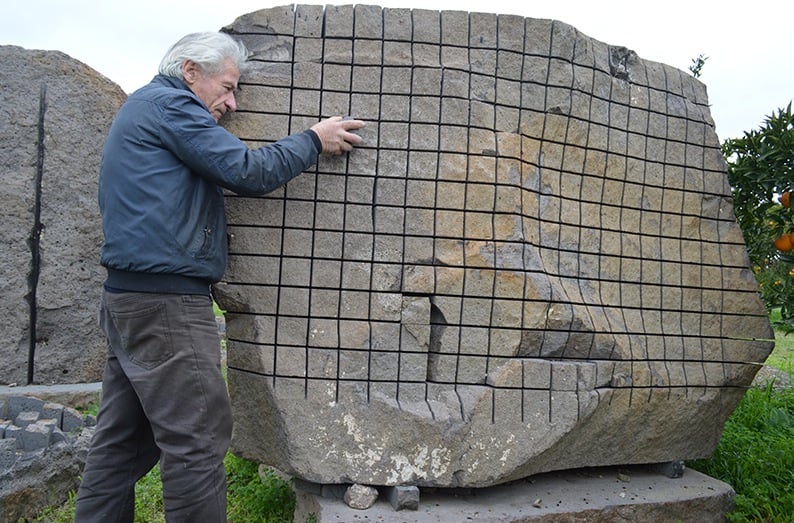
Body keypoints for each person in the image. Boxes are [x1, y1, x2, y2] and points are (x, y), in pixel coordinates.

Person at [74, 31, 365, 522]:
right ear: (191, 71)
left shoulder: (145, 108)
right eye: (227, 87)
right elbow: (246, 171)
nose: (231, 103)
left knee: (121, 446)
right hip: (166, 306)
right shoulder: (171, 107)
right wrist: (314, 139)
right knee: (198, 442)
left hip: (129, 300)